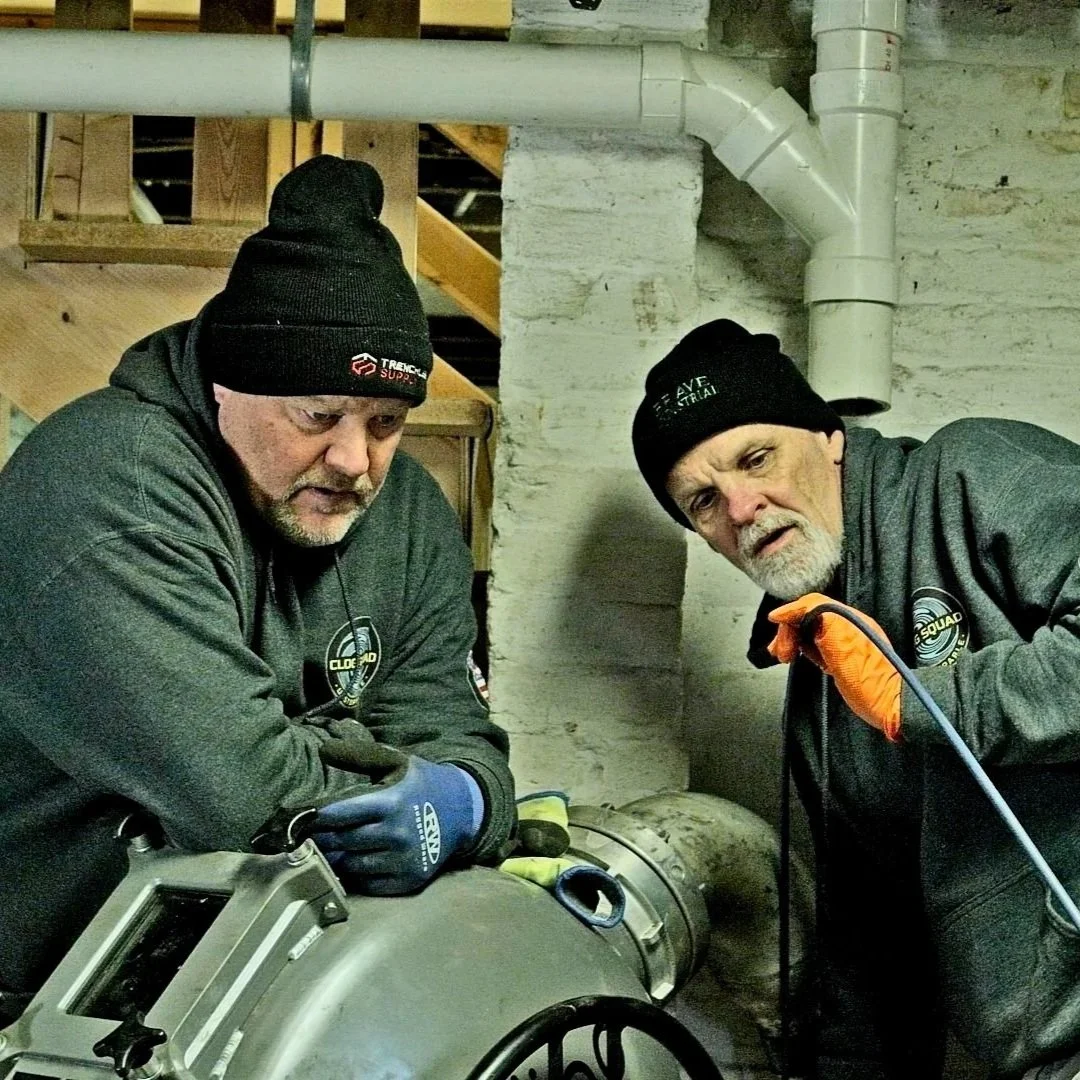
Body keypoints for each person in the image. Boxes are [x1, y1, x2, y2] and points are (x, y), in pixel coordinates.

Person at [0, 154, 514, 1019]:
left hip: (256, 990)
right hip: (38, 1001)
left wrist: (469, 802)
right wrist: (383, 773)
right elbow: (249, 800)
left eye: (386, 423)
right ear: (224, 383)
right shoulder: (108, 485)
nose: (355, 461)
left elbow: (455, 735)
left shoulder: (410, 511)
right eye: (317, 416)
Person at [632, 317, 1080, 1080]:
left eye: (756, 458)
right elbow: (875, 951)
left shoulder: (972, 476)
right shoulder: (822, 692)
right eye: (703, 500)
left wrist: (920, 701)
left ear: (829, 436)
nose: (742, 509)